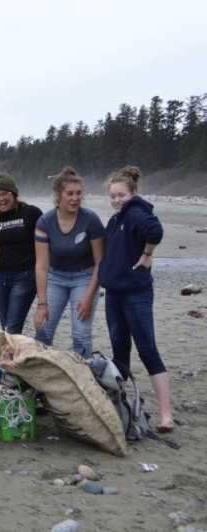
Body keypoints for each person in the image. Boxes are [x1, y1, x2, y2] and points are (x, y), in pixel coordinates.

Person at [98, 166, 174, 432]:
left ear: (133, 193)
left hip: (136, 293)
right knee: (120, 351)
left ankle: (166, 415)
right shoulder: (115, 219)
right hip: (115, 294)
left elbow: (155, 230)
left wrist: (148, 253)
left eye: (122, 195)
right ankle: (122, 405)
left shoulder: (136, 213)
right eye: (113, 196)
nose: (117, 200)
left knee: (147, 349)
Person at [33, 167, 104, 359]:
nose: (75, 198)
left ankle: (85, 377)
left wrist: (89, 296)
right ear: (58, 195)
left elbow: (100, 262)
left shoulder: (91, 220)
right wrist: (42, 303)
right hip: (55, 277)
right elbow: (41, 265)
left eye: (79, 193)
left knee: (81, 333)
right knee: (42, 332)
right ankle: (41, 374)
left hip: (85, 277)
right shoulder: (44, 222)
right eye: (70, 194)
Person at [0, 173, 43, 334]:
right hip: (1, 278)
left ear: (14, 194)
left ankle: (10, 357)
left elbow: (47, 241)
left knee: (12, 327)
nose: (1, 198)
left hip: (25, 276)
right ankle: (12, 357)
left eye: (5, 193)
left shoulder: (31, 213)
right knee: (5, 325)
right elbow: (2, 248)